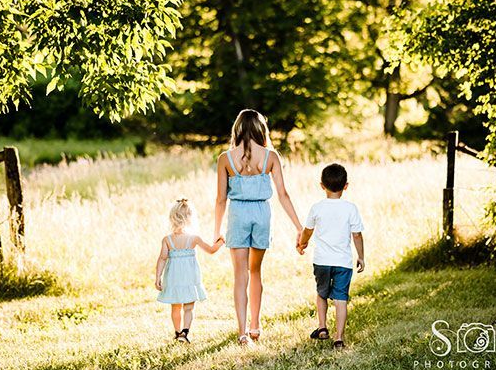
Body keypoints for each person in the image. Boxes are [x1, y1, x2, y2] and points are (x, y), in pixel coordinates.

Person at [214, 109, 303, 345]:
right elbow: (283, 194)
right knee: (256, 272)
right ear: (261, 129)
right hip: (262, 214)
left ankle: (242, 332)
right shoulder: (271, 156)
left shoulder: (225, 158)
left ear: (237, 129)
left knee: (239, 275)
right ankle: (255, 326)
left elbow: (221, 199)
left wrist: (216, 230)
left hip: (238, 214)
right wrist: (298, 226)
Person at [298, 163, 365, 350]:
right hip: (343, 262)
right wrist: (361, 256)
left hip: (321, 261)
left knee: (321, 293)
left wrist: (302, 243)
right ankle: (339, 338)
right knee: (340, 298)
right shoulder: (350, 208)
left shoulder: (317, 208)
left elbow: (307, 230)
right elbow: (357, 235)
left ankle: (322, 327)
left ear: (322, 185)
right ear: (346, 186)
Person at [155, 198, 224, 343]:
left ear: (172, 218)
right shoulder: (194, 239)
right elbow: (211, 250)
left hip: (173, 279)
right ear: (190, 219)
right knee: (188, 308)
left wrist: (158, 277)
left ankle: (177, 332)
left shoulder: (167, 240)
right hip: (189, 278)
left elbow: (162, 258)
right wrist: (221, 241)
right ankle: (185, 332)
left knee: (175, 307)